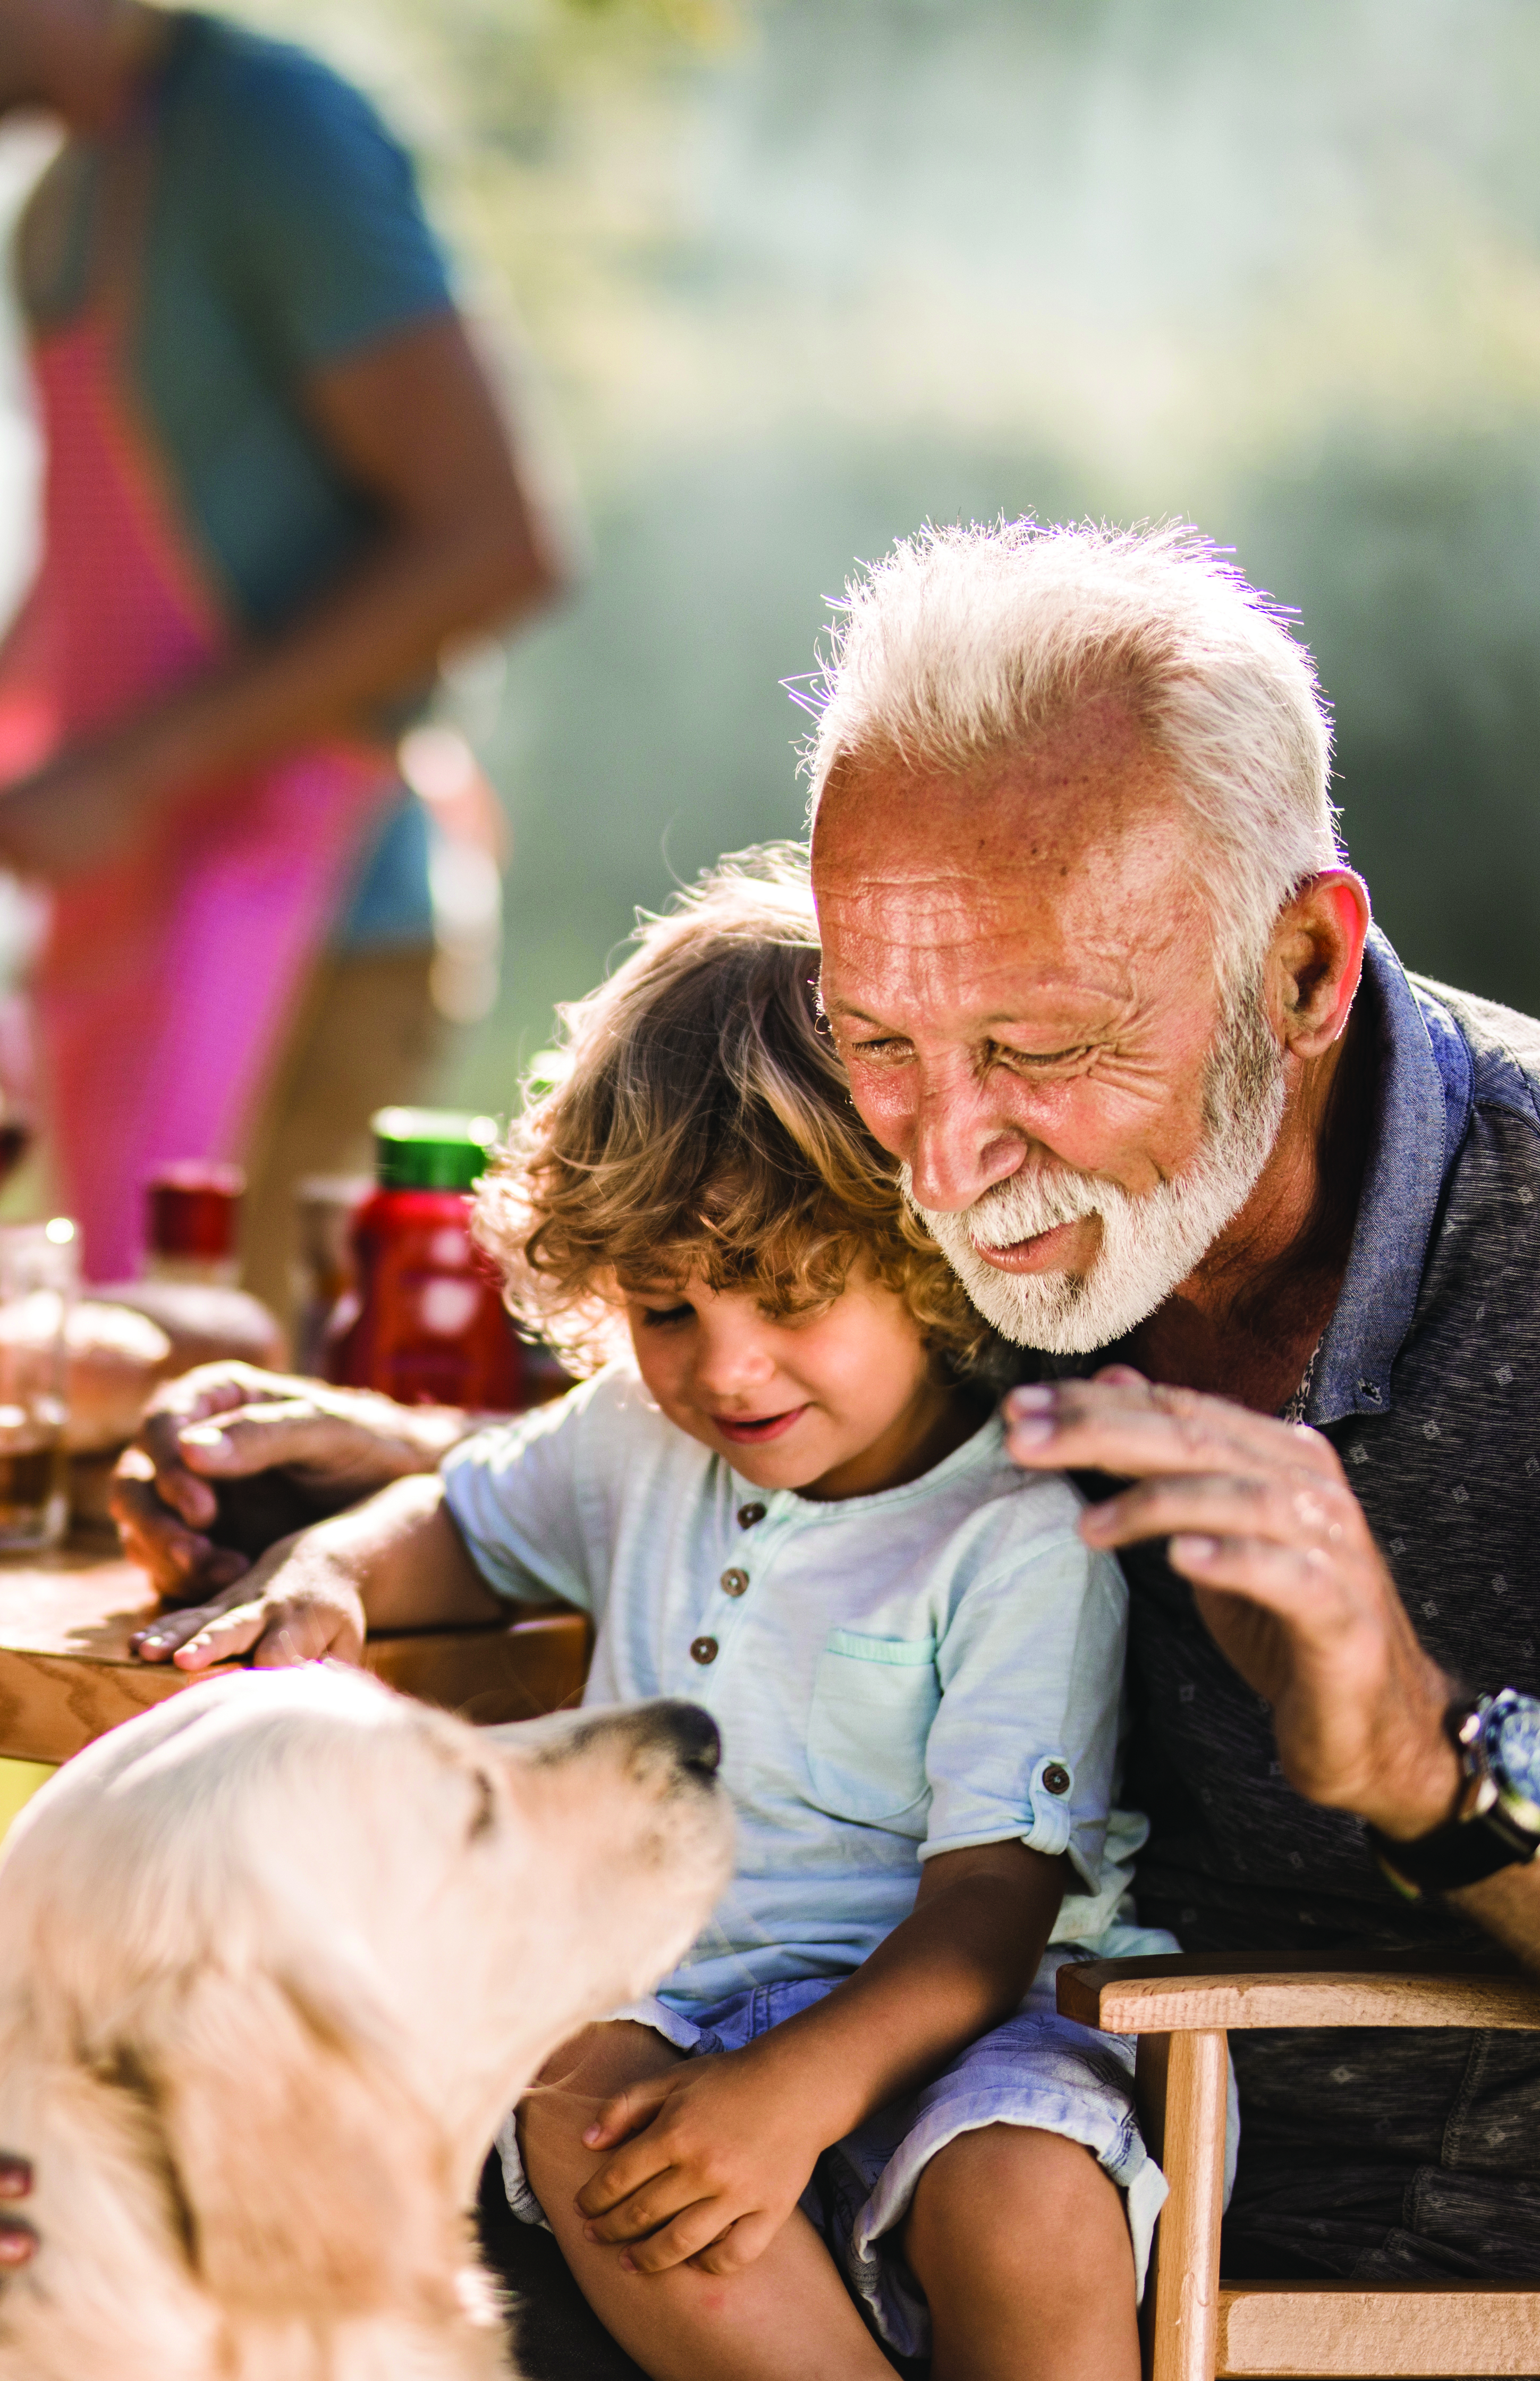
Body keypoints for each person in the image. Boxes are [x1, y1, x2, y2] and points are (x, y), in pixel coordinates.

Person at [95, 517, 1540, 2289]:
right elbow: (803, 1432)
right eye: (876, 1040)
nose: (934, 1162)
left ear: (1298, 972)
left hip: (1324, 2274)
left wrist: (1422, 1764)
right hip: (797, 2184)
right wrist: (437, 1464)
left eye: (1033, 1050)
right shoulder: (1008, 1214)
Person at [124, 850, 1183, 2381]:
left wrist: (798, 2094)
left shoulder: (1017, 1526)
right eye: (668, 1309)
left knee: (1032, 2202)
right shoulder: (638, 1442)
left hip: (969, 2038)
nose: (727, 1369)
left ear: (926, 1255)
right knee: (577, 2107)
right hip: (676, 2005)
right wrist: (332, 1574)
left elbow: (984, 1917)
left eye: (789, 1296)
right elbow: (464, 1518)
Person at [0, 0, 563, 1294]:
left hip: (319, 926)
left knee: (229, 1431)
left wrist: (127, 775)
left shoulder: (269, 132)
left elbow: (495, 539)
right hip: (130, 919)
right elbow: (97, 576)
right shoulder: (63, 213)